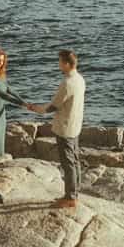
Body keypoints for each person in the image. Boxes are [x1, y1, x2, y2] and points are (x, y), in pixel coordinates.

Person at [0, 46, 44, 203]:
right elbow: (2, 95)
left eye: (2, 61)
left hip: (1, 118)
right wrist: (22, 105)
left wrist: (25, 102)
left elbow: (10, 90)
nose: (0, 64)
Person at [44, 49, 88, 208]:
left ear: (67, 64)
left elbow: (54, 106)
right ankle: (74, 193)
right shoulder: (80, 79)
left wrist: (38, 109)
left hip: (65, 128)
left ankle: (70, 197)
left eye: (60, 62)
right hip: (75, 125)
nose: (59, 64)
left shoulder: (67, 83)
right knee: (74, 161)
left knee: (68, 163)